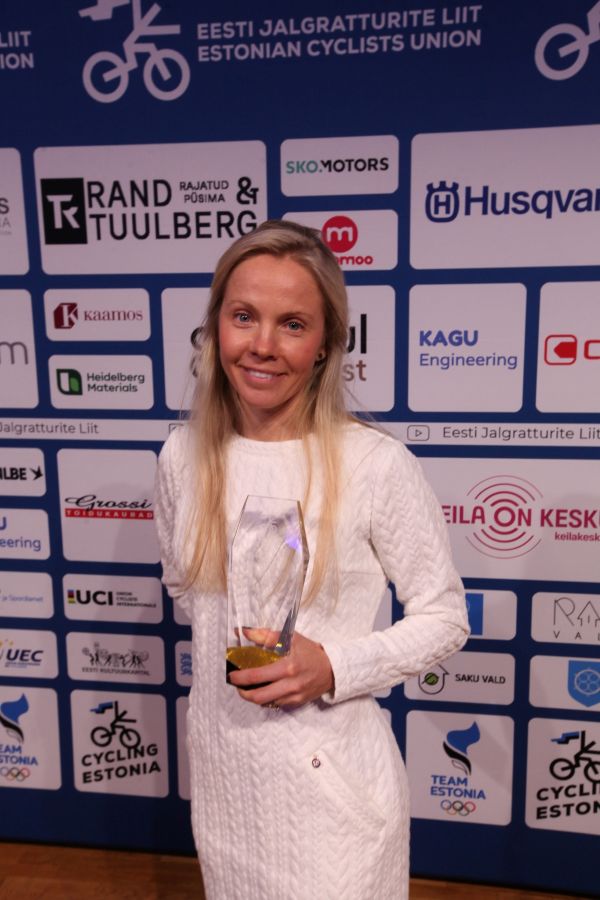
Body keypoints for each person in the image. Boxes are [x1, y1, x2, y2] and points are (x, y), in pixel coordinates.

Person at [154, 219, 469, 900]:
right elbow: (185, 589)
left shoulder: (375, 464)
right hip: (227, 788)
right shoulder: (182, 457)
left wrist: (333, 666)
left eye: (292, 324)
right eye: (243, 316)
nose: (262, 345)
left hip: (335, 805)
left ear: (327, 343)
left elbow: (445, 617)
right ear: (215, 326)